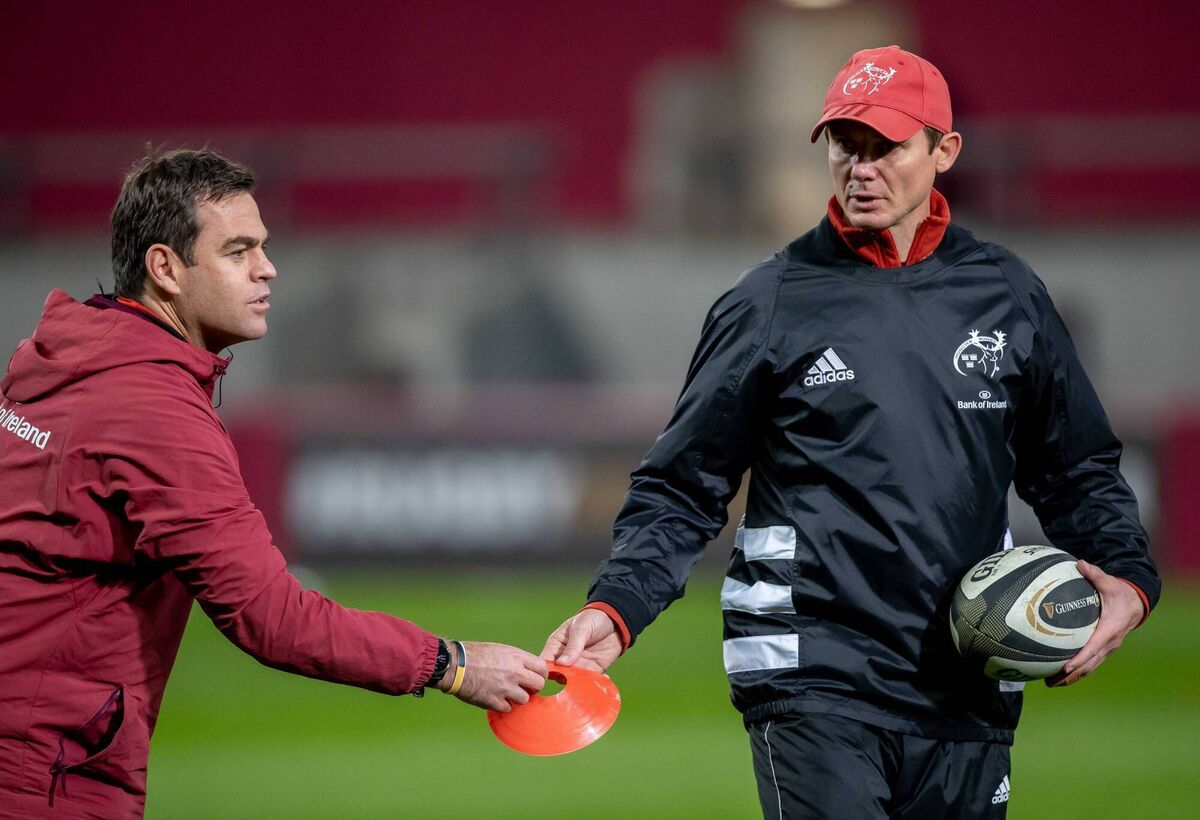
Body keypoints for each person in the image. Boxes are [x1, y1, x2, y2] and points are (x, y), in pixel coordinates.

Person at [543, 45, 1160, 819]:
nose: (861, 168)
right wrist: (616, 609)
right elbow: (682, 485)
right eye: (846, 145)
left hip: (969, 683)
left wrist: (1128, 580)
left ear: (944, 151)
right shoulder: (768, 302)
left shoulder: (1008, 296)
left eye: (886, 147)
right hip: (813, 678)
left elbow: (1078, 470)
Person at [0, 149, 548, 818]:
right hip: (38, 768)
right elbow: (274, 620)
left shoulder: (62, 360)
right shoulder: (151, 409)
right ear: (166, 268)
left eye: (263, 246)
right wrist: (452, 663)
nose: (267, 268)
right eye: (238, 250)